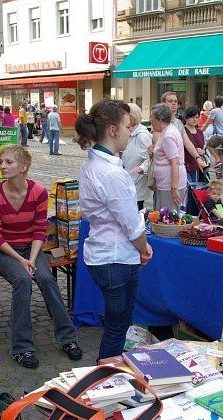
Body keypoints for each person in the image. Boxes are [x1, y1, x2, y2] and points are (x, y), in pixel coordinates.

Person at [0, 145, 82, 368]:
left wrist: (33, 257)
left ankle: (67, 339)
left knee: (47, 279)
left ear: (23, 167)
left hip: (32, 248)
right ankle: (21, 348)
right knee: (22, 280)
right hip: (5, 251)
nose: (2, 166)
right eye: (1, 162)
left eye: (8, 162)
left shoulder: (38, 192)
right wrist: (21, 261)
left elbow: (40, 231)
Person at [75, 99, 152, 359]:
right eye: (128, 127)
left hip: (107, 253)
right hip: (115, 256)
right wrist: (143, 248)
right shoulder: (109, 172)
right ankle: (105, 377)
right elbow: (130, 224)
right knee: (118, 327)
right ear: (112, 129)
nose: (131, 132)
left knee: (117, 325)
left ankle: (107, 375)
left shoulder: (96, 164)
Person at [151, 103, 187, 211]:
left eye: (152, 117)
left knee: (168, 217)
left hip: (169, 184)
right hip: (166, 182)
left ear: (160, 119)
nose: (150, 119)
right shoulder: (168, 131)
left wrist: (173, 188)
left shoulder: (168, 136)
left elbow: (174, 162)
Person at [122, 102, 152, 211]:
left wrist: (142, 168)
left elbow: (150, 158)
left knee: (136, 208)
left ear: (132, 117)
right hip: (128, 178)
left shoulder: (142, 135)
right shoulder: (128, 131)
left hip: (137, 180)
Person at [182, 106, 207, 189]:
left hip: (196, 166)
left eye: (196, 117)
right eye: (192, 117)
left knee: (194, 190)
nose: (195, 119)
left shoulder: (200, 132)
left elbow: (203, 148)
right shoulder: (182, 131)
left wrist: (202, 152)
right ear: (186, 118)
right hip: (185, 165)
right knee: (188, 190)